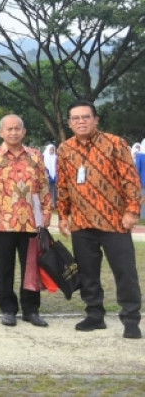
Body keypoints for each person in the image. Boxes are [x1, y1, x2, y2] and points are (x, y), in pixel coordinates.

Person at [57, 100, 141, 339]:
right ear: (70, 122)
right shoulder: (65, 149)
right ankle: (95, 315)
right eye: (76, 118)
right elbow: (63, 185)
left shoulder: (115, 143)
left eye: (86, 117)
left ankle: (131, 319)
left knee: (125, 272)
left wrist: (132, 211)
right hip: (82, 223)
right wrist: (63, 215)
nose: (81, 121)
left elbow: (130, 179)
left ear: (96, 119)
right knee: (87, 273)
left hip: (114, 221)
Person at [0, 114, 51, 328]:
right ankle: (8, 309)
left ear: (24, 131)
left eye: (17, 128)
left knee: (31, 268)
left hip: (31, 220)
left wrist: (47, 212)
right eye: (9, 129)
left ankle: (31, 310)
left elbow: (44, 185)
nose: (13, 132)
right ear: (1, 132)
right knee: (3, 268)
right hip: (3, 222)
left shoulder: (36, 156)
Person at [43, 143, 58, 208]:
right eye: (50, 150)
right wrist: (47, 174)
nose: (52, 151)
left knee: (54, 191)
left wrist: (56, 175)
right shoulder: (44, 157)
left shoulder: (56, 157)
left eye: (53, 150)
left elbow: (57, 166)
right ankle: (47, 205)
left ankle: (54, 204)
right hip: (46, 176)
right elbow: (43, 167)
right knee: (47, 191)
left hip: (55, 177)